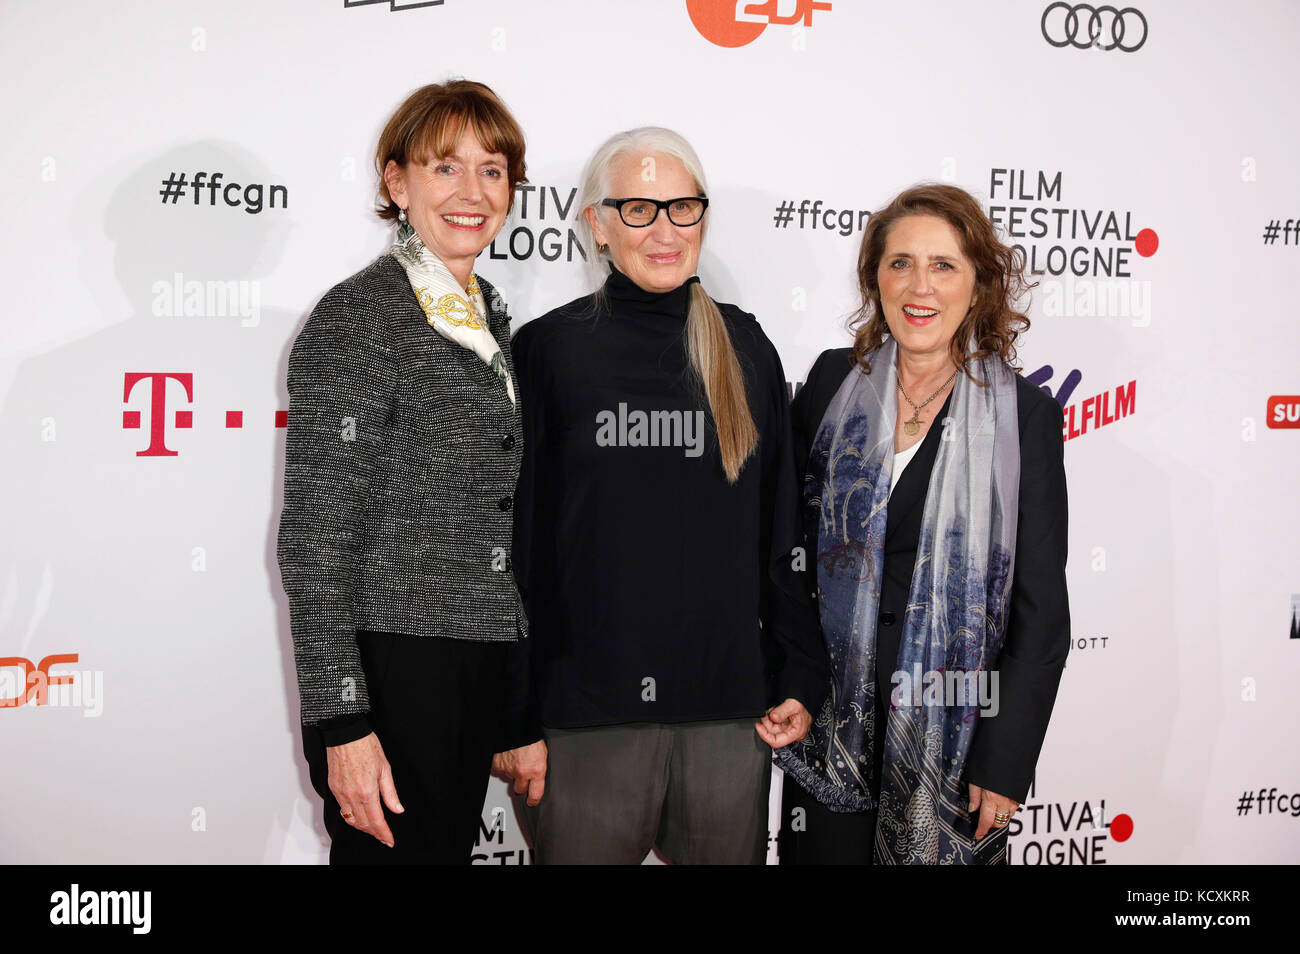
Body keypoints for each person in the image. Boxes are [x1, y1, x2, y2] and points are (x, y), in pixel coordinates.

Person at [493, 127, 830, 864]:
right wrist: (514, 714)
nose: (665, 230)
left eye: (683, 208)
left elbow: (781, 532)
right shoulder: (548, 351)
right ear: (598, 226)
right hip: (584, 717)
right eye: (639, 210)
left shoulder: (745, 346)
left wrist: (801, 672)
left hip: (730, 715)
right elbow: (512, 548)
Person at [775, 183, 1070, 865]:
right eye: (900, 262)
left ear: (980, 285)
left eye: (944, 265)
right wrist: (791, 681)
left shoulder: (1022, 419)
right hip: (830, 728)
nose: (919, 286)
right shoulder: (829, 384)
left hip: (956, 740)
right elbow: (787, 552)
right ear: (875, 276)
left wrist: (1004, 761)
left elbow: (1041, 610)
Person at [277, 80, 528, 864]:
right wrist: (345, 723)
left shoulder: (482, 310)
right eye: (445, 168)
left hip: (470, 663)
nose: (473, 192)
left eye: (492, 170)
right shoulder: (363, 314)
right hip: (393, 669)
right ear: (397, 183)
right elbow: (315, 541)